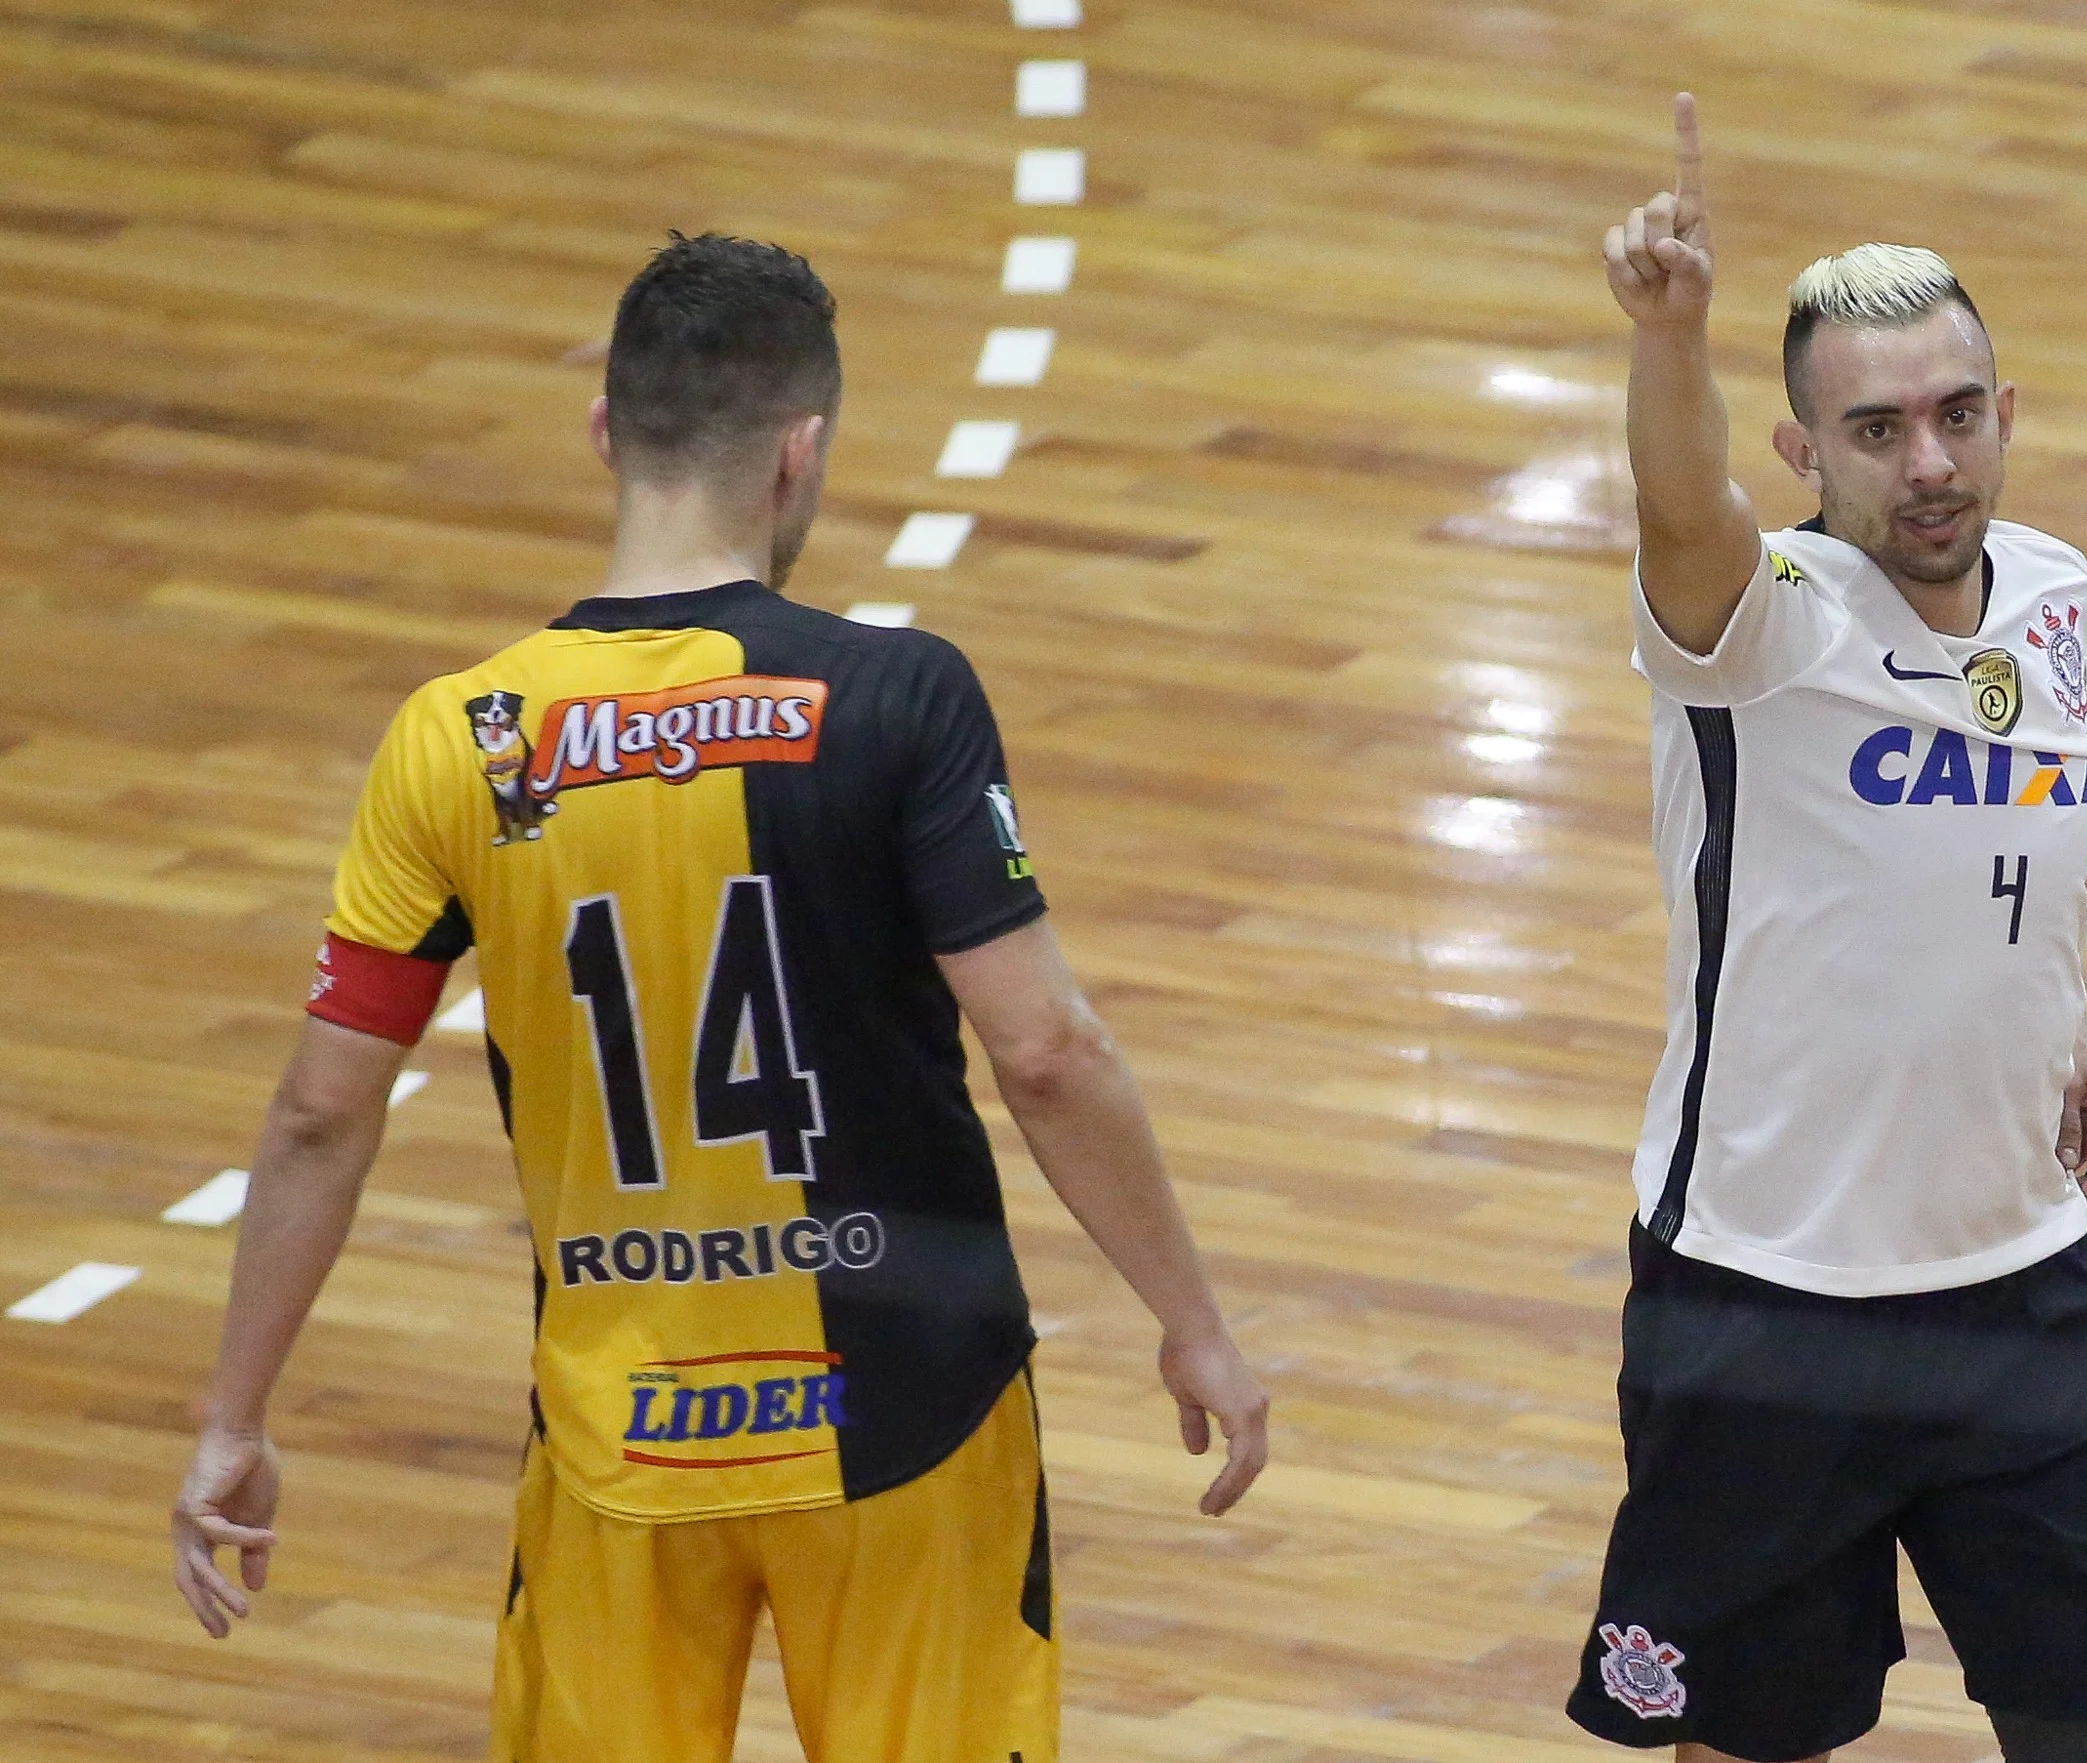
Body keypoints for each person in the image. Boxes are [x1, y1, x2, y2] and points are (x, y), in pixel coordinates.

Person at [167, 233, 1269, 1763]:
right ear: (800, 452)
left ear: (606, 431)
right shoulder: (898, 697)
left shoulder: (458, 738)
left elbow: (315, 1111)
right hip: (908, 1424)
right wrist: (1192, 1318)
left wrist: (234, 1412)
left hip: (622, 1442)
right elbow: (1050, 1052)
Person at [1565, 99, 2087, 1763]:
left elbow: (1989, 844)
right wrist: (1670, 334)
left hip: (2019, 1288)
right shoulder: (1752, 620)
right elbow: (1674, 499)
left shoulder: (2055, 592)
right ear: (1802, 455)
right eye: (1875, 430)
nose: (1928, 462)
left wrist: (2063, 1025)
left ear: (2006, 413)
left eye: (1957, 413)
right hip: (1769, 1299)